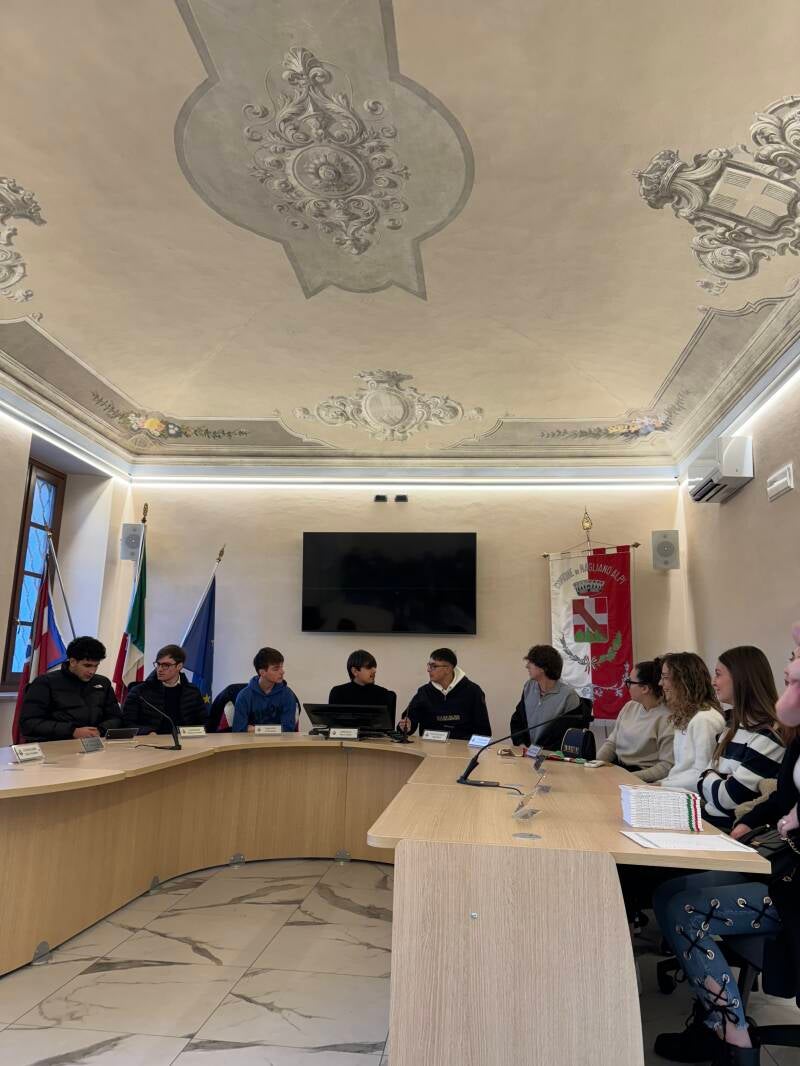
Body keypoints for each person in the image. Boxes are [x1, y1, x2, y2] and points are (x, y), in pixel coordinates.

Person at [652, 625, 800, 1065]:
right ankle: (710, 1018)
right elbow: (778, 798)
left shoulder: (770, 734)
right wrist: (751, 821)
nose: (789, 670)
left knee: (685, 910)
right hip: (779, 867)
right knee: (667, 893)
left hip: (792, 887)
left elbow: (722, 791)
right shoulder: (790, 737)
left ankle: (731, 1036)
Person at [698, 646, 786, 831]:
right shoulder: (732, 724)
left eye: (718, 674)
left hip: (728, 830)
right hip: (706, 819)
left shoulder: (770, 734)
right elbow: (701, 779)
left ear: (741, 679)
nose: (713, 682)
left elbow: (729, 799)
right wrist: (715, 778)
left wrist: (709, 776)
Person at [19, 635, 122, 741]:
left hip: (96, 743)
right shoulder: (45, 682)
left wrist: (100, 730)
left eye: (96, 665)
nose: (92, 671)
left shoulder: (103, 683)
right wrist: (72, 731)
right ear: (72, 662)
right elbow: (29, 723)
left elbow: (116, 717)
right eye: (87, 665)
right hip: (56, 744)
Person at [596, 658, 675, 782]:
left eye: (630, 682)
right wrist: (595, 764)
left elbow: (666, 767)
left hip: (642, 777)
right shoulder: (630, 706)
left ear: (645, 688)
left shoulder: (667, 717)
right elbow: (612, 743)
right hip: (618, 770)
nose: (627, 686)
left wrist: (628, 778)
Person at [658, 652, 725, 791]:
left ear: (683, 681)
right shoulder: (686, 715)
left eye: (665, 677)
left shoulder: (705, 719)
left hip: (693, 797)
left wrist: (661, 785)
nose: (660, 683)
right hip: (677, 789)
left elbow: (703, 775)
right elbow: (680, 771)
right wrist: (659, 784)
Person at [398, 648, 490, 739]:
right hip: (430, 745)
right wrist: (406, 726)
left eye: (433, 666)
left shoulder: (473, 691)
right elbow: (408, 722)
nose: (428, 670)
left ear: (448, 669)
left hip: (462, 746)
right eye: (429, 665)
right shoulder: (424, 692)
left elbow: (483, 731)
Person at [122, 644, 207, 735]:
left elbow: (204, 722)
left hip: (186, 741)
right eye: (158, 664)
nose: (159, 669)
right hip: (151, 741)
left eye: (165, 665)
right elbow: (127, 724)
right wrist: (147, 732)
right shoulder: (139, 692)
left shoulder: (192, 692)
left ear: (179, 666)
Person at [508, 644, 581, 749]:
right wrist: (521, 743)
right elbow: (518, 720)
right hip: (527, 753)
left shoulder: (569, 696)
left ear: (543, 668)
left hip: (553, 756)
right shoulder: (529, 687)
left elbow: (571, 735)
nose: (527, 666)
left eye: (530, 662)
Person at [233, 647, 299, 732]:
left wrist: (255, 729)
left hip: (279, 740)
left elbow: (288, 729)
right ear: (262, 672)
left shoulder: (287, 694)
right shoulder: (244, 695)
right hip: (251, 740)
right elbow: (238, 729)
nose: (282, 672)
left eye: (281, 667)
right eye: (276, 669)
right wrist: (277, 729)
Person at [328, 649, 397, 719]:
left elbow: (387, 725)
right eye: (369, 667)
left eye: (374, 667)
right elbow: (332, 723)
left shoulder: (383, 694)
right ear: (355, 671)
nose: (374, 670)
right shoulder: (338, 693)